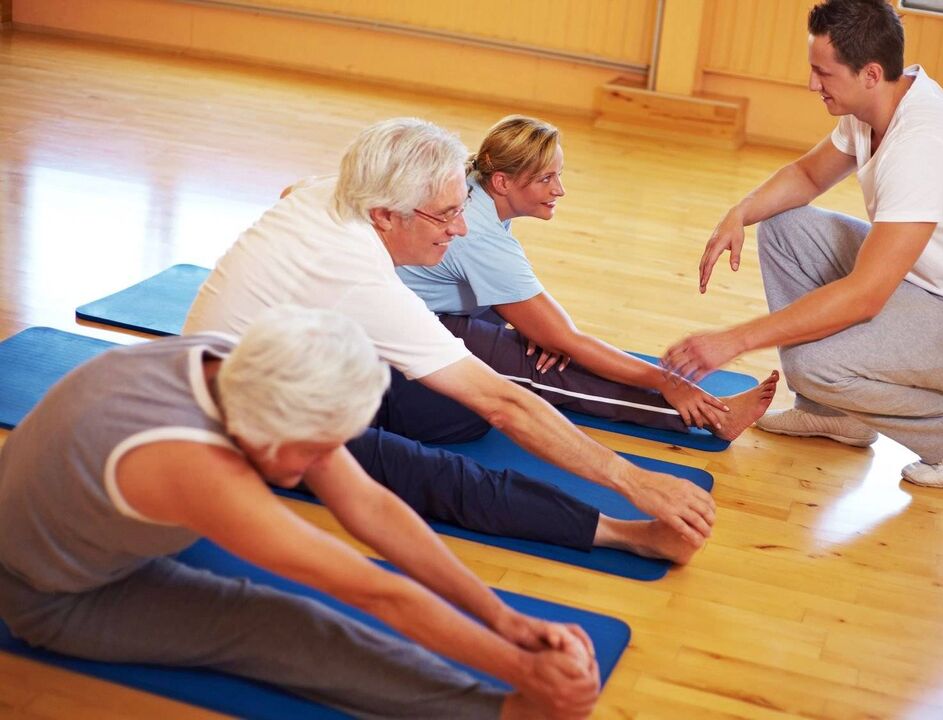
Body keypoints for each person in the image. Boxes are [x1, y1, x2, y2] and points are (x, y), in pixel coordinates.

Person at [0, 306, 599, 720]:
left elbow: (369, 505)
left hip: (84, 521)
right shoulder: (190, 465)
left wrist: (505, 619)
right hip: (51, 593)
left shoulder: (246, 370)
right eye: (315, 448)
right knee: (278, 623)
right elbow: (375, 592)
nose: (324, 462)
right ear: (273, 427)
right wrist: (521, 673)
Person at [184, 117, 713, 562]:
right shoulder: (357, 276)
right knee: (434, 472)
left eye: (462, 206)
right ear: (385, 214)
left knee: (456, 411)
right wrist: (635, 481)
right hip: (238, 421)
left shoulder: (334, 194)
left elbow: (291, 189)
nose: (460, 229)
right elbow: (507, 406)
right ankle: (625, 535)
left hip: (284, 364)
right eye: (447, 214)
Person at [663, 0, 943, 489]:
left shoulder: (921, 145)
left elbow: (866, 296)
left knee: (813, 363)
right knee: (784, 225)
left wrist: (734, 339)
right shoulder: (875, 103)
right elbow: (805, 175)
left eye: (823, 73)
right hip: (930, 289)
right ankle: (837, 415)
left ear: (869, 73)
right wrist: (741, 211)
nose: (811, 84)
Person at [396, 115, 779, 439]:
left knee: (548, 340)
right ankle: (712, 417)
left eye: (558, 175)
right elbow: (571, 340)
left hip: (426, 299)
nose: (559, 189)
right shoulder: (479, 233)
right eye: (545, 179)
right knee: (539, 365)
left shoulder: (476, 190)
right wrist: (667, 381)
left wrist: (548, 333)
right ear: (502, 182)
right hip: (409, 324)